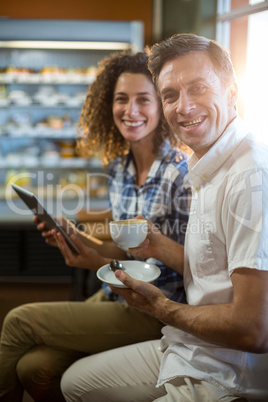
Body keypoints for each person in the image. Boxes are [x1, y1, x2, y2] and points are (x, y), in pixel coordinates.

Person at [60, 33, 268, 402]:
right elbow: (215, 267)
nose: (182, 107)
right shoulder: (207, 163)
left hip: (228, 371)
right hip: (190, 344)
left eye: (198, 88)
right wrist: (157, 245)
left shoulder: (251, 176)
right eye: (170, 94)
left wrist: (161, 308)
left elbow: (253, 331)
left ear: (232, 91)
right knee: (73, 383)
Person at [0, 51, 189, 401]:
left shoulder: (180, 173)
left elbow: (197, 266)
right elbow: (121, 252)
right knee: (33, 369)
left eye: (143, 100)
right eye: (121, 99)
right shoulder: (120, 169)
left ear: (162, 106)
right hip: (115, 293)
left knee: (18, 321)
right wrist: (79, 242)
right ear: (108, 104)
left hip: (153, 307)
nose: (130, 110)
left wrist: (147, 248)